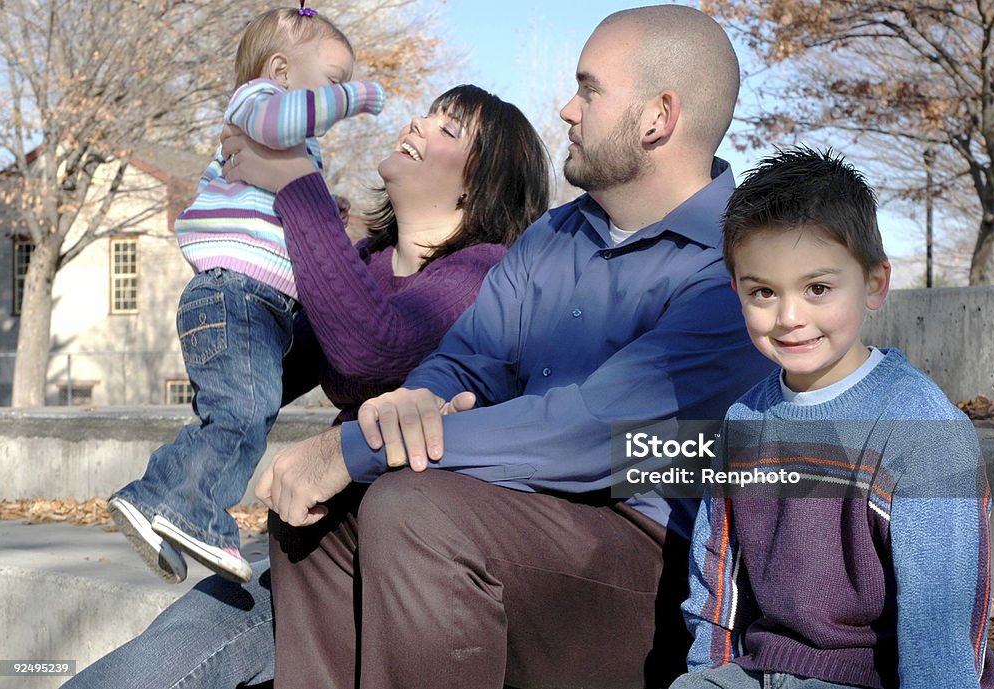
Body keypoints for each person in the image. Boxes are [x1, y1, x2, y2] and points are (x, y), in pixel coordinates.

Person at [257, 6, 774, 689]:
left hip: (650, 571)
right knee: (320, 508)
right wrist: (416, 401)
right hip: (515, 514)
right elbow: (469, 357)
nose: (567, 109)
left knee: (409, 507)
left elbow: (597, 434)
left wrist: (357, 443)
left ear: (658, 117)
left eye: (588, 90)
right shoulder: (553, 237)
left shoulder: (740, 267)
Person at [61, 82, 550, 688]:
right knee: (140, 665)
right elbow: (265, 371)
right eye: (425, 114)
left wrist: (296, 184)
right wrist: (234, 267)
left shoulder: (485, 271)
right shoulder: (367, 262)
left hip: (412, 572)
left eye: (448, 130)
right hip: (309, 551)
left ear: (481, 183)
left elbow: (374, 349)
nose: (417, 125)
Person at [674, 148, 994, 689]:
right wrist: (707, 675)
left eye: (817, 288)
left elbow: (940, 630)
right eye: (763, 292)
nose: (790, 317)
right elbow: (717, 579)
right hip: (755, 671)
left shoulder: (921, 429)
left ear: (874, 284)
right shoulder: (744, 419)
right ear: (738, 292)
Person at [107, 4, 386, 583]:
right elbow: (280, 126)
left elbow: (285, 215)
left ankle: (167, 506)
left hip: (255, 303)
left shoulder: (293, 142)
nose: (336, 95)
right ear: (280, 70)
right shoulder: (256, 103)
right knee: (242, 410)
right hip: (234, 295)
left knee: (239, 413)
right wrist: (356, 97)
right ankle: (177, 504)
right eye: (332, 79)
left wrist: (323, 209)